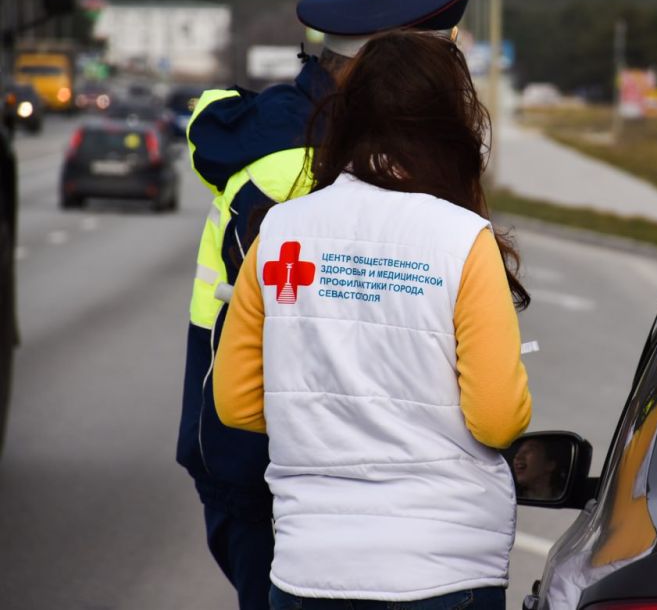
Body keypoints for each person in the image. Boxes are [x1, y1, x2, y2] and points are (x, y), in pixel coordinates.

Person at [174, 0, 473, 610]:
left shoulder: (286, 136)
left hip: (257, 459)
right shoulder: (318, 166)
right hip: (286, 476)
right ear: (377, 67)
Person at [213, 30, 532, 610]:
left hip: (309, 567)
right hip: (443, 570)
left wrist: (318, 414)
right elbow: (495, 420)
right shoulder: (462, 241)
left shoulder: (280, 233)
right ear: (449, 126)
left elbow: (236, 404)